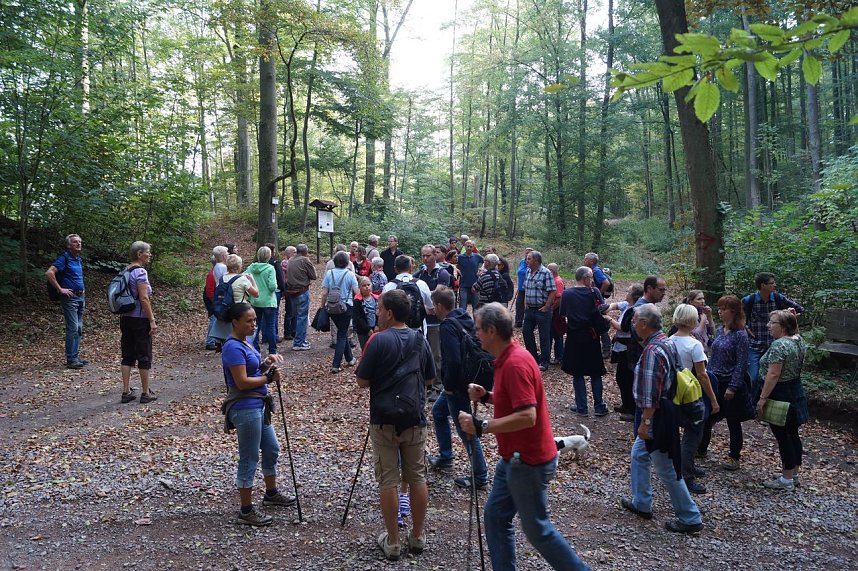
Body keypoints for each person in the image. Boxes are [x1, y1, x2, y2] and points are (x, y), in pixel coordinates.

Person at [459, 303, 590, 571]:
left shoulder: (516, 363)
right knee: (496, 517)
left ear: (492, 331)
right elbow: (513, 402)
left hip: (528, 461)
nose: (476, 334)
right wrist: (487, 397)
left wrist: (482, 425)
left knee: (538, 529)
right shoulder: (509, 357)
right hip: (514, 459)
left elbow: (527, 416)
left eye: (478, 329)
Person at [355, 289, 435, 561]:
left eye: (379, 308)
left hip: (384, 419)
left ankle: (393, 541)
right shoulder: (419, 339)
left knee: (388, 479)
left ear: (389, 312)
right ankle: (418, 536)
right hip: (414, 419)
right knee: (417, 477)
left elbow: (362, 381)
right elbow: (429, 380)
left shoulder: (377, 341)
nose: (377, 312)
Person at [621, 303, 703, 534]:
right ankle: (641, 502)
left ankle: (689, 516)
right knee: (639, 455)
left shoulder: (652, 352)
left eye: (635, 320)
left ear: (645, 324)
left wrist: (646, 424)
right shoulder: (665, 342)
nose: (634, 324)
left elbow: (650, 395)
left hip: (657, 416)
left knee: (667, 468)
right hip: (665, 412)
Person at [220, 302, 295, 527]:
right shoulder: (232, 347)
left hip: (258, 406)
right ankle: (246, 510)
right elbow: (242, 382)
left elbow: (253, 371)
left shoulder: (247, 341)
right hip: (245, 407)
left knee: (272, 448)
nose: (254, 324)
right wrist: (269, 379)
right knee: (249, 456)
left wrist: (266, 364)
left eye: (254, 320)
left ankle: (270, 494)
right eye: (249, 321)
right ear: (235, 323)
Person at [427, 286, 489, 491]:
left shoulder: (447, 326)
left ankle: (479, 475)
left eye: (433, 305)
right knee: (438, 411)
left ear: (438, 305)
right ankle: (446, 457)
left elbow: (452, 360)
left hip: (457, 385)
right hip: (466, 380)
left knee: (466, 429)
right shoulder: (464, 316)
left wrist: (451, 386)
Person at [697, 295, 751, 471]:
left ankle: (734, 456)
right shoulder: (721, 330)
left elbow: (742, 363)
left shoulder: (741, 335)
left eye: (724, 309)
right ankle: (701, 449)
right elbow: (714, 355)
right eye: (719, 308)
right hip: (715, 380)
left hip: (730, 383)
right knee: (708, 416)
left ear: (733, 312)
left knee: (733, 421)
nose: (720, 311)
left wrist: (733, 387)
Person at [669, 304, 719, 494]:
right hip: (691, 393)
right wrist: (713, 400)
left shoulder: (669, 341)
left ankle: (684, 466)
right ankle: (686, 476)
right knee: (692, 435)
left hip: (674, 393)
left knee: (680, 433)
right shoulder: (694, 345)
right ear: (693, 320)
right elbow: (703, 375)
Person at [756, 310, 808, 491]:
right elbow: (796, 331)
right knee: (792, 434)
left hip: (781, 394)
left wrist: (762, 398)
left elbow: (774, 374)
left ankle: (786, 480)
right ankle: (793, 474)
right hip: (795, 390)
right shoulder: (798, 340)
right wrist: (793, 318)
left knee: (783, 436)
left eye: (772, 323)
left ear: (784, 327)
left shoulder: (779, 345)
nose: (768, 326)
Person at [743, 272, 804, 405]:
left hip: (774, 345)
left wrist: (787, 315)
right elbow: (738, 314)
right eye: (771, 283)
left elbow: (799, 309)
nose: (774, 285)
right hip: (755, 345)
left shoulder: (777, 298)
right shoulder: (750, 300)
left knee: (770, 377)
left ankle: (764, 404)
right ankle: (751, 405)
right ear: (762, 285)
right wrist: (745, 326)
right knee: (753, 377)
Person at [559, 267, 608, 417]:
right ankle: (599, 406)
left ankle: (582, 407)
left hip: (574, 336)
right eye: (591, 277)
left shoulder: (567, 294)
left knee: (577, 372)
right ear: (585, 277)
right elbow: (603, 311)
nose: (592, 280)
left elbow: (563, 313)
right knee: (595, 372)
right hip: (591, 336)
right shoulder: (594, 292)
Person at [119, 241, 158, 404]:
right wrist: (152, 320)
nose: (149, 255)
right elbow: (143, 298)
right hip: (140, 319)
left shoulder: (125, 270)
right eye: (147, 252)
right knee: (144, 354)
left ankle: (126, 391)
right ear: (139, 254)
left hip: (125, 317)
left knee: (127, 354)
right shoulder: (140, 272)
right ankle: (145, 393)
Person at [414, 244, 451, 398]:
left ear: (435, 255)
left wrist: (423, 295)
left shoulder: (442, 273)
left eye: (428, 255)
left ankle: (437, 385)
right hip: (422, 320)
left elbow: (439, 295)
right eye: (423, 255)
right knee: (422, 353)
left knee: (436, 354)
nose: (425, 258)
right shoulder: (420, 273)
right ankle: (425, 383)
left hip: (436, 320)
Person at [46, 233, 87, 369]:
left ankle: (75, 356)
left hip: (80, 296)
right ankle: (71, 359)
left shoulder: (77, 259)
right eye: (75, 242)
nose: (78, 244)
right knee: (73, 327)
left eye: (79, 242)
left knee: (79, 328)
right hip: (70, 298)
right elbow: (49, 273)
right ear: (69, 245)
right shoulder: (65, 258)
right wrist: (60, 289)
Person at [606, 284, 644, 421]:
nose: (626, 292)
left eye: (628, 291)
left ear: (634, 295)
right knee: (621, 378)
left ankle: (632, 409)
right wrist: (608, 308)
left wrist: (608, 318)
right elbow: (616, 305)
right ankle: (626, 404)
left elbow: (622, 328)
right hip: (621, 347)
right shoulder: (627, 305)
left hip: (628, 349)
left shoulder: (634, 310)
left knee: (627, 378)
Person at [320, 251, 360, 373]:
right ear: (347, 262)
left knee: (342, 333)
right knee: (342, 334)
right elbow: (356, 291)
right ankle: (336, 364)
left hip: (332, 307)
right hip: (346, 307)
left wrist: (323, 307)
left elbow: (324, 293)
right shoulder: (350, 274)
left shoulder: (329, 273)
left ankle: (350, 359)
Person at [522, 250, 556, 372]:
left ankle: (544, 362)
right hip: (529, 310)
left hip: (542, 310)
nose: (527, 261)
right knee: (526, 332)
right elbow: (526, 288)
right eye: (527, 259)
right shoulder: (528, 271)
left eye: (529, 259)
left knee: (544, 336)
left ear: (536, 260)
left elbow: (552, 291)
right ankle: (533, 358)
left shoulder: (546, 273)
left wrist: (547, 306)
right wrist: (525, 301)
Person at [383, 255, 435, 333]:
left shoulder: (388, 287)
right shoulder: (421, 284)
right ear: (411, 267)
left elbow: (384, 312)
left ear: (395, 269)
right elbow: (431, 309)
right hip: (418, 332)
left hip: (395, 333)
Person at [248, 246, 278, 356]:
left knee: (255, 326)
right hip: (268, 301)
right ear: (269, 256)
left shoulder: (251, 267)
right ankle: (272, 351)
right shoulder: (270, 268)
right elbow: (272, 286)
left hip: (255, 301)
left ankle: (255, 348)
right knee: (270, 326)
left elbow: (244, 279)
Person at [285, 244, 316, 351]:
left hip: (292, 292)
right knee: (302, 317)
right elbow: (314, 276)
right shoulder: (305, 260)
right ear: (305, 252)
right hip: (302, 291)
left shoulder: (291, 260)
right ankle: (298, 343)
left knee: (297, 316)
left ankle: (300, 339)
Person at [584, 252, 612, 358]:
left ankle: (606, 349)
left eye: (585, 259)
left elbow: (606, 283)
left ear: (591, 261)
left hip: (597, 303)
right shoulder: (593, 270)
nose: (584, 260)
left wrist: (598, 294)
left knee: (600, 324)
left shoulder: (595, 271)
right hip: (594, 301)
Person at [205, 246, 229, 350]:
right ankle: (219, 341)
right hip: (222, 296)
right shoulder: (223, 268)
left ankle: (219, 342)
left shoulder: (217, 267)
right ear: (224, 256)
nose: (229, 254)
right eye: (227, 253)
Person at [265, 243, 285, 343]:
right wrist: (283, 289)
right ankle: (274, 335)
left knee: (263, 315)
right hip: (275, 291)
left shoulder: (256, 265)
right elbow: (280, 279)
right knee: (274, 314)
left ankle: (265, 336)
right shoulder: (275, 263)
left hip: (261, 292)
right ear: (272, 252)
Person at [455, 240, 484, 311]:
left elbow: (485, 261)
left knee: (476, 307)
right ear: (465, 247)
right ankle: (462, 321)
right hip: (463, 285)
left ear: (473, 247)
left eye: (471, 246)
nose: (469, 248)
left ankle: (476, 322)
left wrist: (481, 269)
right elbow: (452, 263)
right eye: (467, 246)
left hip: (475, 285)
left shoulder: (477, 256)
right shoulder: (460, 257)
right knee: (462, 307)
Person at [352, 276, 379, 350]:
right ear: (359, 288)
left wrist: (377, 325)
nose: (367, 287)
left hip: (376, 328)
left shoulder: (376, 298)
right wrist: (367, 329)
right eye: (364, 286)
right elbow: (358, 317)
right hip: (363, 331)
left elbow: (379, 313)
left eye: (368, 285)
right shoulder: (357, 300)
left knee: (377, 349)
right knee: (366, 349)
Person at [547, 263, 565, 365]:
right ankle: (549, 355)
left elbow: (559, 298)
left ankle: (559, 357)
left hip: (556, 312)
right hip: (553, 311)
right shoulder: (553, 280)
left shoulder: (557, 281)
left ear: (552, 271)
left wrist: (551, 309)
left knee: (557, 334)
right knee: (550, 333)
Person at [280, 246, 297, 341]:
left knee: (295, 311)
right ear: (288, 253)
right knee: (290, 311)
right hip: (288, 288)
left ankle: (294, 331)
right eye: (294, 252)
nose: (295, 254)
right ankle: (288, 332)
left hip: (294, 288)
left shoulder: (293, 262)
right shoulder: (285, 263)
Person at [514, 247, 532, 328]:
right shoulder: (522, 261)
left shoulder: (532, 263)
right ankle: (519, 322)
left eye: (529, 253)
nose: (527, 254)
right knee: (519, 304)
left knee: (528, 305)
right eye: (526, 252)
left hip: (529, 288)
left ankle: (531, 323)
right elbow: (519, 272)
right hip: (521, 287)